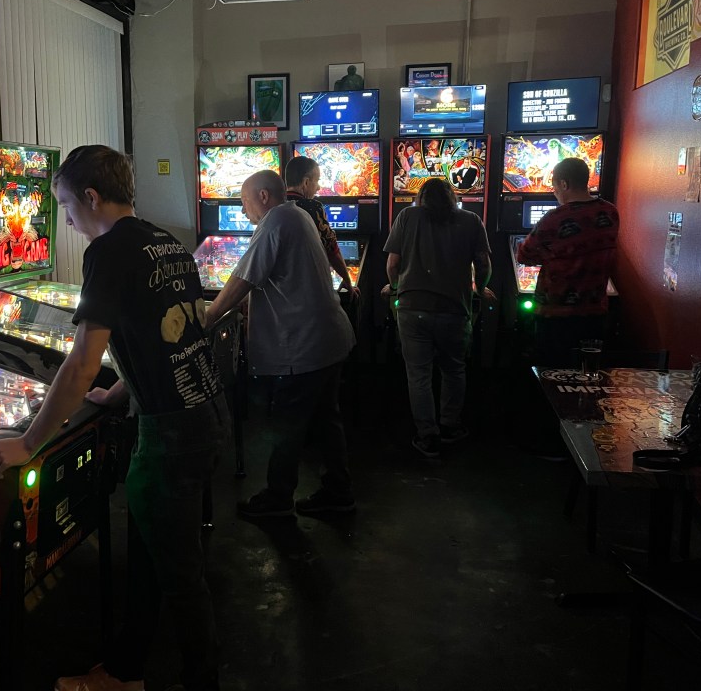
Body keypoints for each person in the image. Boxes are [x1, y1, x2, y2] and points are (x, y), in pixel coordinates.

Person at [0, 145, 229, 691]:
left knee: (181, 574)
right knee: (149, 553)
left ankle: (199, 679)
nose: (66, 220)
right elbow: (172, 334)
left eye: (67, 205)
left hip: (171, 432)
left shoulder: (109, 251)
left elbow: (79, 364)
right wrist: (118, 392)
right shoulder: (163, 240)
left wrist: (29, 441)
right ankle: (125, 671)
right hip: (204, 411)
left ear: (91, 196)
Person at [205, 170, 356, 518]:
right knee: (326, 420)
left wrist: (209, 316)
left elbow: (243, 276)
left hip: (305, 347)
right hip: (328, 340)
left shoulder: (276, 220)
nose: (242, 211)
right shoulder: (298, 214)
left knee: (287, 423)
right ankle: (339, 491)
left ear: (262, 196)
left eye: (243, 202)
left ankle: (277, 498)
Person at [383, 178, 492, 458]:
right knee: (453, 369)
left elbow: (393, 264)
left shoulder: (407, 215)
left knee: (418, 373)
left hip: (411, 307)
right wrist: (480, 288)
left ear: (420, 198)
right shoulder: (471, 220)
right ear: (453, 197)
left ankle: (427, 435)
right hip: (454, 308)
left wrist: (395, 287)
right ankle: (450, 426)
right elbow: (483, 265)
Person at [515, 157, 619, 367]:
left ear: (564, 184)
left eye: (554, 185)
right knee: (588, 369)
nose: (554, 192)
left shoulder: (555, 218)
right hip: (595, 308)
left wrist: (551, 254)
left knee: (553, 371)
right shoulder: (610, 212)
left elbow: (523, 255)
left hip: (556, 311)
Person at [283, 155, 359, 298]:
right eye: (316, 181)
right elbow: (331, 248)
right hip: (308, 290)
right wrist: (347, 280)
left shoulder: (275, 206)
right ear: (306, 182)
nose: (318, 187)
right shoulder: (313, 207)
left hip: (280, 291)